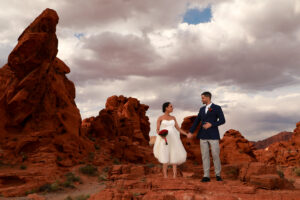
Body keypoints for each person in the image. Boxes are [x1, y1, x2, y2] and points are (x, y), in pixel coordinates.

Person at [187, 91, 225, 182]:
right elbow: (196, 121)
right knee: (205, 156)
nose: (202, 99)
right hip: (203, 135)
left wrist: (211, 124)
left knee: (215, 155)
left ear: (208, 98)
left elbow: (222, 120)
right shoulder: (201, 109)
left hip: (213, 135)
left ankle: (218, 175)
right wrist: (191, 132)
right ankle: (206, 176)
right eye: (202, 98)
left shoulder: (217, 108)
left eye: (203, 98)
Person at [153, 102, 188, 178]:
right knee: (164, 155)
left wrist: (186, 134)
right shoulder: (160, 118)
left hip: (174, 138)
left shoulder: (173, 118)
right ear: (166, 108)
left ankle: (174, 176)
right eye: (171, 106)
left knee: (174, 154)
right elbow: (157, 129)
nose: (172, 108)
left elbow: (178, 129)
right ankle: (165, 177)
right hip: (164, 138)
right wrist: (161, 135)